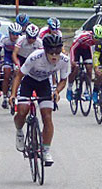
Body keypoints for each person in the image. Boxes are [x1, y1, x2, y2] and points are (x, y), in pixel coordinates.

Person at [10, 33, 70, 166]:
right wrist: (13, 94)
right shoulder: (35, 57)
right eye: (51, 52)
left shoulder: (64, 60)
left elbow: (63, 80)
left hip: (44, 84)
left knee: (47, 117)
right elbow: (19, 76)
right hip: (28, 81)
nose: (54, 55)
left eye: (57, 52)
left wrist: (57, 91)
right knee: (22, 111)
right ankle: (19, 131)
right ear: (45, 50)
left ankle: (46, 150)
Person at [66, 25, 102, 100]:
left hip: (86, 48)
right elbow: (73, 48)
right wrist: (72, 61)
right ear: (93, 35)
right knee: (75, 68)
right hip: (77, 48)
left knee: (89, 68)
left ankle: (86, 90)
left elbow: (95, 53)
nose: (97, 40)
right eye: (96, 38)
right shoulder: (84, 37)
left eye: (99, 39)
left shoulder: (98, 41)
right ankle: (69, 88)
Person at [0, 23, 22, 108]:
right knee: (6, 74)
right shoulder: (4, 39)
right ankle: (4, 97)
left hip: (18, 56)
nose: (15, 36)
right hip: (7, 56)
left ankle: (16, 92)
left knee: (18, 73)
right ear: (9, 33)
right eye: (13, 34)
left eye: (17, 34)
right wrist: (0, 60)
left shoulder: (21, 40)